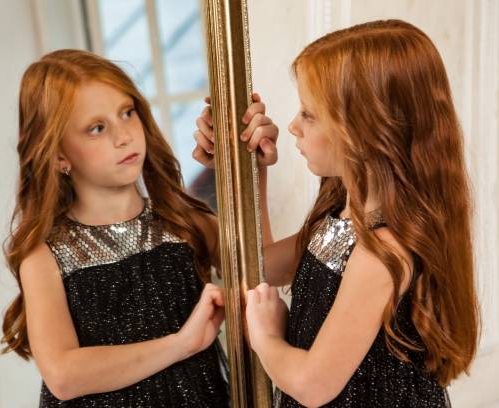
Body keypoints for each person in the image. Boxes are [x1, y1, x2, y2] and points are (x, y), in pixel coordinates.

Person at [193, 19, 478, 407]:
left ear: (366, 131)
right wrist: (252, 170)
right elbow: (262, 266)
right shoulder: (342, 217)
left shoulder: (383, 248)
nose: (293, 126)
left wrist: (267, 338)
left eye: (309, 115)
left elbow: (312, 385)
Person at [0, 49, 231, 407]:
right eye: (97, 128)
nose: (124, 136)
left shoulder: (183, 223)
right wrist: (182, 343)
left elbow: (265, 264)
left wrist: (251, 172)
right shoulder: (45, 255)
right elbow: (63, 375)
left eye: (127, 112)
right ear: (60, 156)